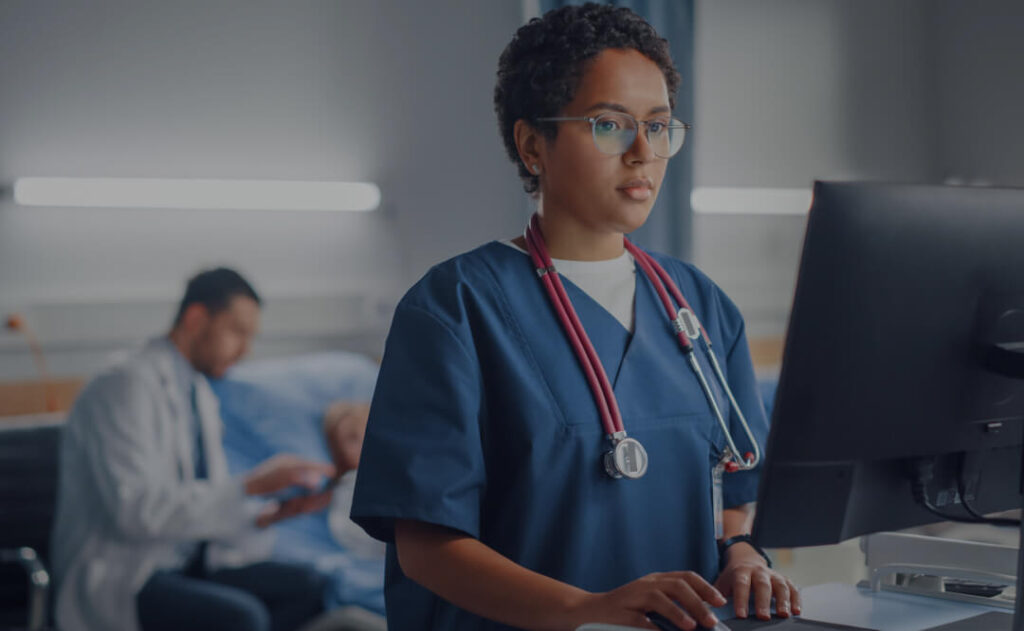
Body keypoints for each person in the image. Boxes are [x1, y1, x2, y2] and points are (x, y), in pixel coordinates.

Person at [350, 5, 801, 631]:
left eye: (660, 125)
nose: (644, 152)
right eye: (611, 125)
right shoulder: (454, 307)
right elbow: (425, 547)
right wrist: (587, 612)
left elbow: (732, 502)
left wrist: (744, 556)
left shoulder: (701, 306)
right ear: (533, 144)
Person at [51, 267, 337, 631]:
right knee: (242, 618)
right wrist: (250, 485)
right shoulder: (124, 385)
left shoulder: (198, 393)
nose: (245, 351)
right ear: (196, 318)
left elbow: (202, 506)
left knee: (311, 587)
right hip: (129, 574)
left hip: (188, 562)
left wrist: (267, 515)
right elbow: (138, 512)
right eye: (237, 332)